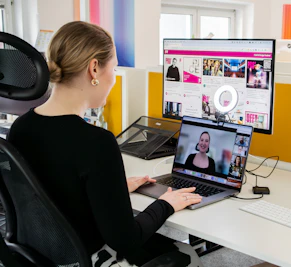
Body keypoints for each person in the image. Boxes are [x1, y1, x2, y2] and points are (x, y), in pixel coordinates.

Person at [7, 21, 203, 267]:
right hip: (86, 260)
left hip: (42, 257)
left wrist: (112, 189)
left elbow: (53, 190)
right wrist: (166, 204)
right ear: (94, 69)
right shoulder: (96, 142)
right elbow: (126, 240)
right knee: (188, 255)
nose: (114, 79)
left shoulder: (21, 127)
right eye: (114, 68)